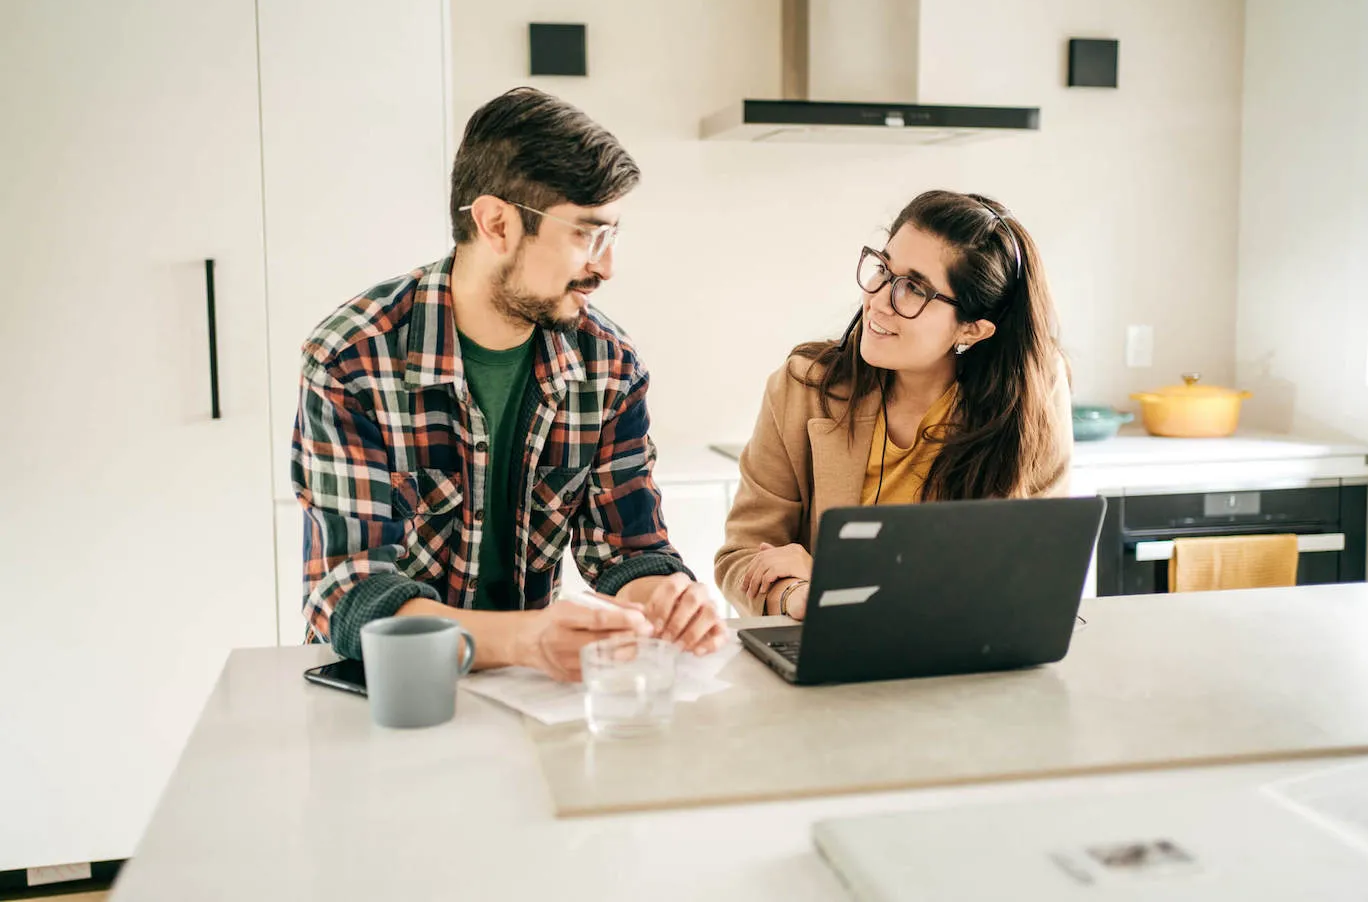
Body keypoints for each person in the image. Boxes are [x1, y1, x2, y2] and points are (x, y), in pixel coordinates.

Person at [292, 87, 725, 681]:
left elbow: (628, 552)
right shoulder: (353, 359)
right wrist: (528, 637)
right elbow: (350, 595)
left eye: (612, 235)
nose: (606, 267)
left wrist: (669, 599)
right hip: (389, 689)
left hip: (525, 688)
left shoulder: (610, 365)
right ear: (497, 223)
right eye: (586, 234)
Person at [714, 189, 1072, 620]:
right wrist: (797, 596)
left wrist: (835, 577)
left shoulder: (1028, 402)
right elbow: (741, 556)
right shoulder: (803, 388)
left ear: (972, 331)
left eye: (914, 288)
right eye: (883, 269)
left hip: (965, 663)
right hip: (827, 654)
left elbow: (1025, 581)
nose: (879, 300)